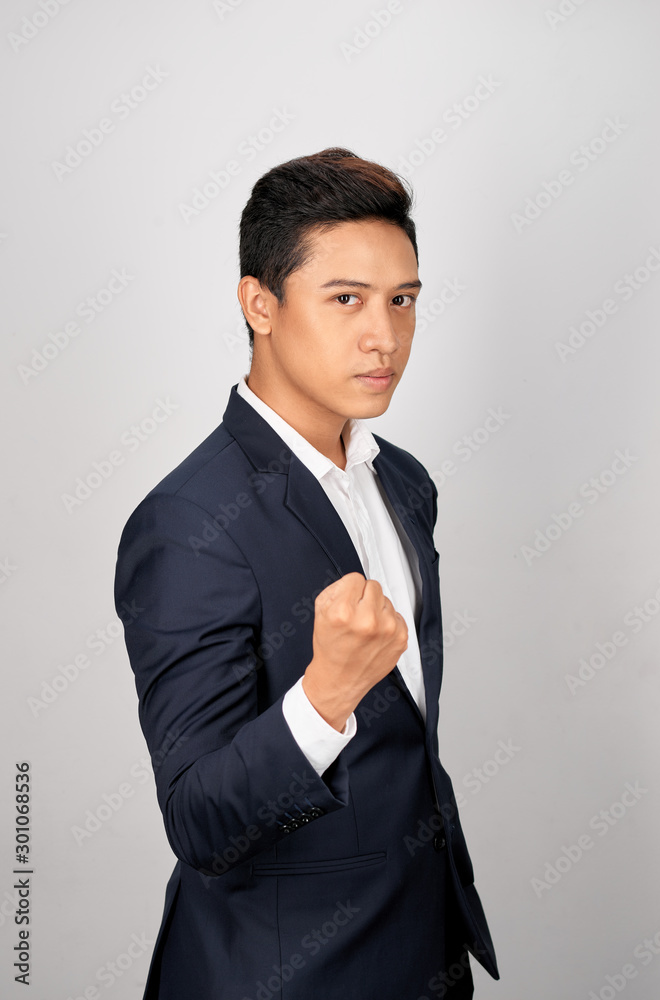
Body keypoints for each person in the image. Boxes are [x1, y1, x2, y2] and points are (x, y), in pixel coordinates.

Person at [114, 147, 499, 999]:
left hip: (422, 950)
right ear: (259, 303)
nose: (384, 336)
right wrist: (325, 693)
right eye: (345, 300)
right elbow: (200, 820)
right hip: (279, 975)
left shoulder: (401, 480)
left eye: (402, 300)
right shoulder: (186, 524)